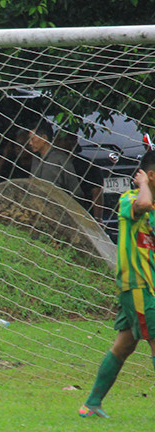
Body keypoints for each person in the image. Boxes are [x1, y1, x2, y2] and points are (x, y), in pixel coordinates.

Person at [79, 151, 155, 418]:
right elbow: (143, 205)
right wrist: (142, 184)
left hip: (148, 286)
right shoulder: (130, 199)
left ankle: (91, 404)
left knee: (124, 345)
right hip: (138, 285)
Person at [27, 119, 80, 196]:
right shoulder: (35, 159)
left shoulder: (61, 158)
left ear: (44, 138)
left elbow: (75, 190)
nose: (30, 143)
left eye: (33, 139)